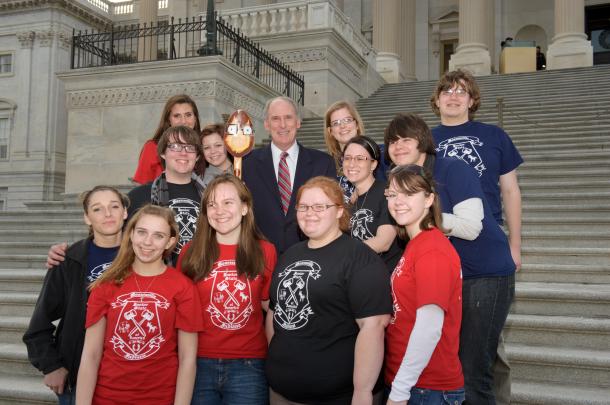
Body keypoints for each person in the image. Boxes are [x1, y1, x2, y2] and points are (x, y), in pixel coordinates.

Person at [384, 113, 515, 405]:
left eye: (406, 138)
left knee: (473, 368)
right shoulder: (400, 179)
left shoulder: (453, 168)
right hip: (447, 273)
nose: (398, 145)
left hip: (484, 272)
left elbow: (472, 226)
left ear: (423, 141)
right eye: (392, 141)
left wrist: (422, 217)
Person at [430, 69, 523, 405]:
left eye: (461, 91)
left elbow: (510, 191)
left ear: (472, 100)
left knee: (485, 348)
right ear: (437, 99)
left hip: (484, 243)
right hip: (440, 246)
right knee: (449, 343)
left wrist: (514, 244)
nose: (453, 96)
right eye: (447, 91)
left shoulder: (493, 135)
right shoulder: (424, 140)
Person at [265, 176, 392, 405]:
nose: (309, 213)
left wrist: (362, 392)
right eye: (303, 206)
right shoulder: (289, 255)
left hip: (338, 396)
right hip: (281, 392)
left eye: (320, 206)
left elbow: (373, 327)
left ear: (339, 211)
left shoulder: (359, 257)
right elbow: (275, 313)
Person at [75, 204, 201, 405]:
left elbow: (187, 359)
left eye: (158, 236)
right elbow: (90, 355)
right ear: (131, 234)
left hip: (160, 398)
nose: (148, 242)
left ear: (170, 242)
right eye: (142, 232)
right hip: (107, 397)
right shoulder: (106, 285)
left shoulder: (183, 287)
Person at [176, 174, 277, 405]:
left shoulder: (265, 251)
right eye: (211, 204)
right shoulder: (190, 253)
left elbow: (270, 308)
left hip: (249, 364)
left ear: (244, 207)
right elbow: (180, 314)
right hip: (197, 363)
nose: (219, 210)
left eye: (227, 202)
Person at [23, 186, 129, 405]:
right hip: (79, 373)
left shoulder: (143, 256)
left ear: (125, 213)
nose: (108, 214)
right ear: (87, 218)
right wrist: (51, 365)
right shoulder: (68, 260)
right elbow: (39, 323)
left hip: (128, 374)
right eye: (98, 209)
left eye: (114, 206)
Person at [46, 125, 206, 269]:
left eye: (189, 147)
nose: (183, 153)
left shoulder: (210, 196)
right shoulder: (139, 196)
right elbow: (107, 235)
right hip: (155, 283)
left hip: (204, 277)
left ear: (197, 156)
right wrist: (68, 253)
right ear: (163, 153)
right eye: (175, 146)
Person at [384, 165, 464, 405]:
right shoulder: (416, 244)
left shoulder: (432, 250)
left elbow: (429, 328)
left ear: (429, 199)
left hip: (426, 389)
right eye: (392, 194)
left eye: (409, 193)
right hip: (413, 384)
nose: (399, 201)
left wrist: (399, 391)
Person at [242, 96, 336, 255]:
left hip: (311, 256)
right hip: (260, 258)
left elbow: (332, 214)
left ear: (298, 122)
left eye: (288, 118)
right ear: (266, 124)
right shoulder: (247, 164)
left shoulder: (323, 163)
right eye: (276, 119)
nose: (283, 125)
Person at [342, 135, 402, 272]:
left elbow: (383, 242)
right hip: (359, 275)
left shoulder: (387, 193)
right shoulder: (347, 202)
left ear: (373, 164)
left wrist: (342, 253)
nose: (352, 164)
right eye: (347, 158)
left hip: (385, 277)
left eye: (359, 158)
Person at [324, 100, 389, 201]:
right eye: (336, 123)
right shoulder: (326, 165)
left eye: (347, 120)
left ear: (357, 124)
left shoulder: (381, 153)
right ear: (330, 131)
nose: (342, 126)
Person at [133, 94, 203, 184]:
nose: (183, 121)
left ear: (195, 119)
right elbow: (141, 187)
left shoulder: (204, 147)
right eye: (177, 116)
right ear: (168, 120)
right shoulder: (152, 147)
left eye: (188, 115)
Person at [200, 123, 234, 187]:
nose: (212, 151)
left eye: (218, 145)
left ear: (228, 145)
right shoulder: (199, 181)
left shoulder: (244, 171)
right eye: (207, 147)